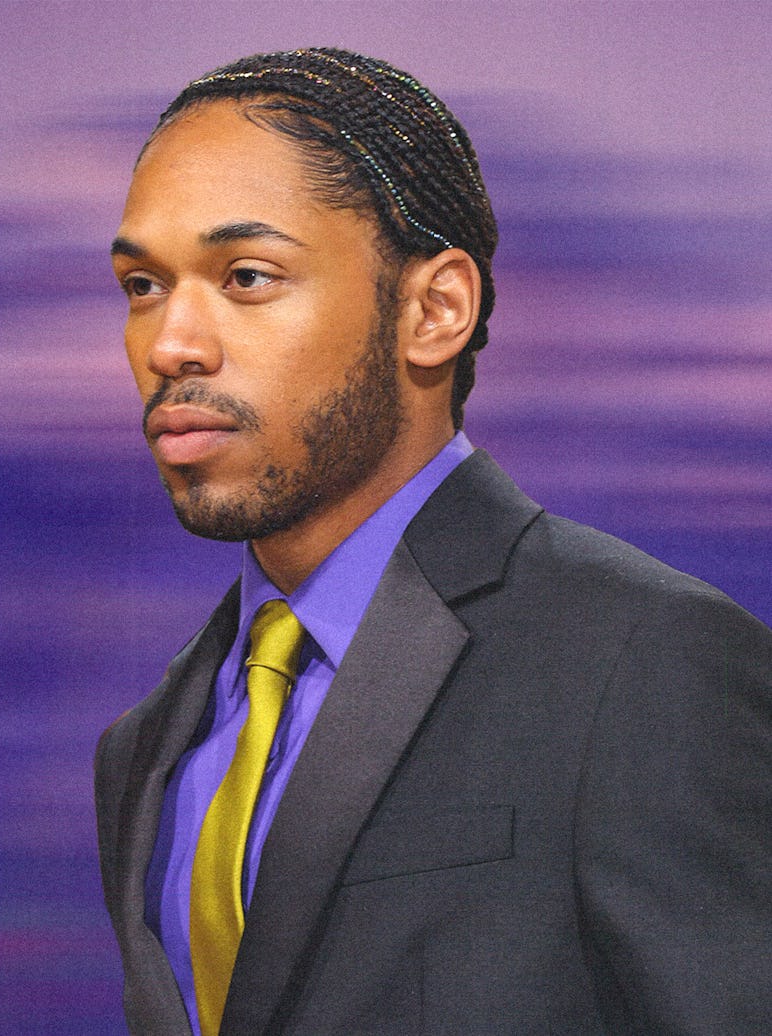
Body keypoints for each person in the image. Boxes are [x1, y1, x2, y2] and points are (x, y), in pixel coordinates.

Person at [95, 48, 771, 1036]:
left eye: (246, 276)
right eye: (143, 284)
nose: (169, 344)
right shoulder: (147, 747)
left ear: (434, 309)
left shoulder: (645, 664)